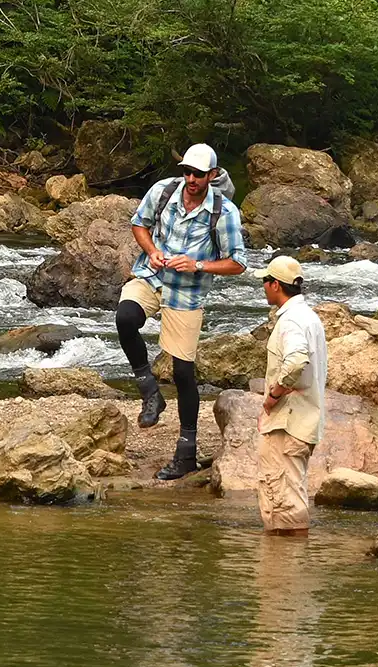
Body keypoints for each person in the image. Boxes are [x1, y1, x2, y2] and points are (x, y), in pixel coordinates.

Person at [119, 143, 247, 480]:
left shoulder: (225, 212)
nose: (191, 179)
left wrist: (198, 265)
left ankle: (186, 453)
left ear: (213, 175)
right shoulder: (163, 192)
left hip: (187, 293)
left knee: (182, 372)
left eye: (199, 174)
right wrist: (152, 251)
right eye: (187, 172)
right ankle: (149, 391)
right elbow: (139, 224)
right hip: (152, 276)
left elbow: (238, 263)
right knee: (125, 318)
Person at [254, 256, 326, 535]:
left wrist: (273, 395)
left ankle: (284, 572)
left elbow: (296, 361)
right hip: (305, 418)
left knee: (283, 502)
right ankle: (289, 569)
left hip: (288, 421)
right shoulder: (309, 316)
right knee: (291, 493)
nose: (263, 287)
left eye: (265, 282)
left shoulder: (291, 321)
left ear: (275, 285)